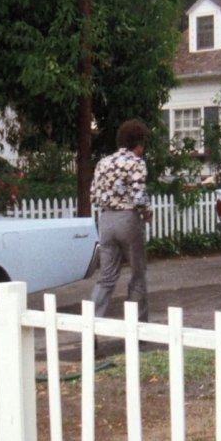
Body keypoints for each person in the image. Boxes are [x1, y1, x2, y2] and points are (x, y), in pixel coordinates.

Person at [90, 118, 152, 324]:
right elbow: (138, 196)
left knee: (106, 277)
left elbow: (93, 194)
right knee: (137, 273)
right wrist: (147, 213)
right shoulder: (136, 163)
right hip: (128, 220)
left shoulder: (103, 163)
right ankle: (137, 326)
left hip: (106, 220)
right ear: (139, 143)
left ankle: (92, 324)